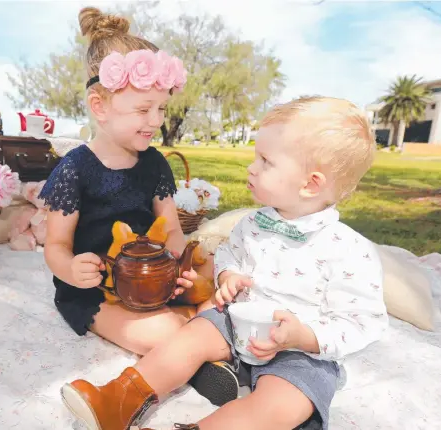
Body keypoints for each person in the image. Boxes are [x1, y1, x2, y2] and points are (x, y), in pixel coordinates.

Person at [59, 96, 390, 430]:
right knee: (192, 335)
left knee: (282, 406)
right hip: (235, 327)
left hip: (300, 355)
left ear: (310, 184)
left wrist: (304, 337)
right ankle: (116, 401)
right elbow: (230, 254)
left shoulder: (349, 250)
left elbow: (364, 321)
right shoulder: (252, 223)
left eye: (265, 161)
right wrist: (228, 274)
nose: (251, 167)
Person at [39, 7, 200, 357]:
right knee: (159, 332)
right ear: (100, 106)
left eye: (161, 109)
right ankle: (192, 338)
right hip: (95, 288)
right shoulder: (75, 168)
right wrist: (69, 268)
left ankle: (195, 340)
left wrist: (175, 263)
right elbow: (56, 244)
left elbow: (171, 228)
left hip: (150, 276)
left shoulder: (155, 163)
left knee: (212, 277)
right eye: (144, 110)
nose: (156, 120)